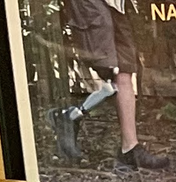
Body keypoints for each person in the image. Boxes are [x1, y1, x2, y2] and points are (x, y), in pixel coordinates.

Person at [53, 0, 167, 171]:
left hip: (118, 4)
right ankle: (69, 116)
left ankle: (129, 148)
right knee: (108, 66)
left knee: (124, 70)